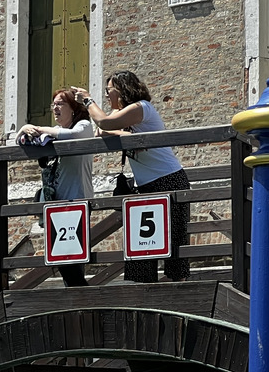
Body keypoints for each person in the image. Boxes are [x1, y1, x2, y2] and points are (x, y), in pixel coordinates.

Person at [75, 71, 191, 283]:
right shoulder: (127, 116)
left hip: (169, 179)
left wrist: (88, 100)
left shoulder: (141, 108)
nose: (107, 96)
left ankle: (176, 296)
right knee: (142, 248)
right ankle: (145, 295)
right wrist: (129, 137)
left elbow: (104, 123)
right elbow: (102, 131)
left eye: (109, 91)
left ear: (122, 91)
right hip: (147, 187)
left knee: (174, 249)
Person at [17, 88, 95, 287]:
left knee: (71, 262)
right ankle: (80, 303)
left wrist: (40, 128)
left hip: (76, 202)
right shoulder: (52, 133)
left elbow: (73, 135)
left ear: (73, 108)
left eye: (60, 104)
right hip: (55, 206)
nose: (55, 108)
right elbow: (22, 142)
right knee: (64, 263)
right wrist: (24, 128)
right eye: (54, 104)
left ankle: (82, 304)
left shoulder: (84, 125)